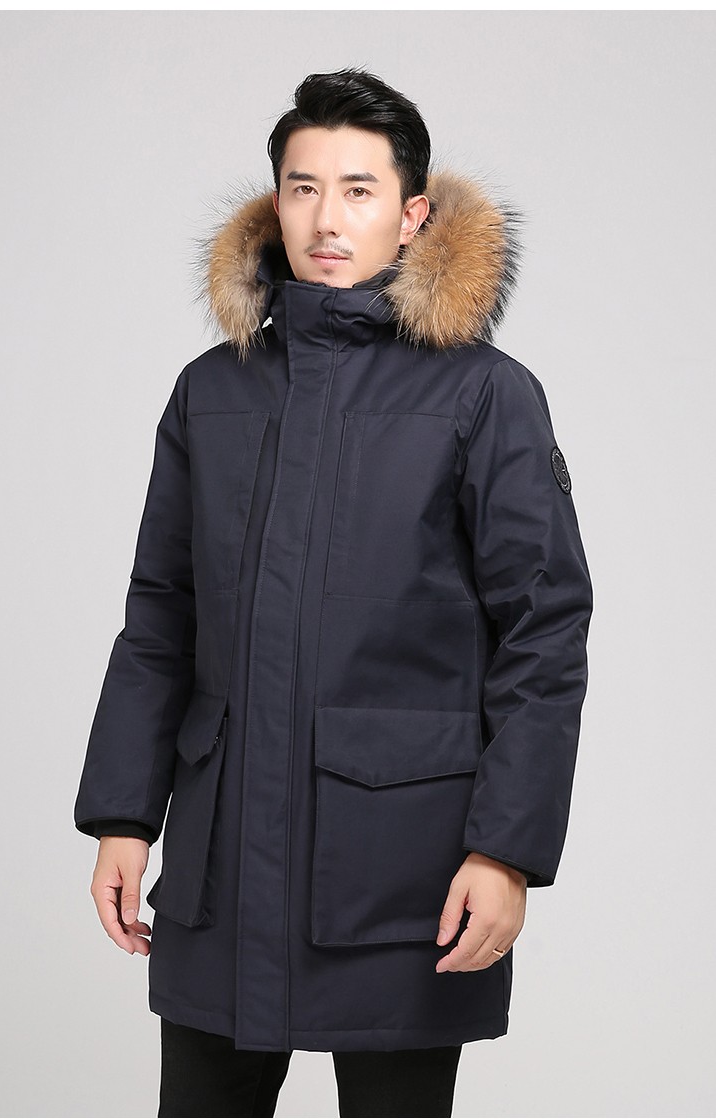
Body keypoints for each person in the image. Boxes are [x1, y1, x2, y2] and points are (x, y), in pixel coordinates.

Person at [74, 67, 593, 1118]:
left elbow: (543, 629)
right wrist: (123, 815)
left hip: (401, 868)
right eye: (303, 188)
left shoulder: (483, 394)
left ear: (413, 214)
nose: (326, 218)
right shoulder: (211, 392)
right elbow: (161, 612)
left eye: (359, 190)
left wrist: (506, 850)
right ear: (275, 205)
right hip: (224, 859)